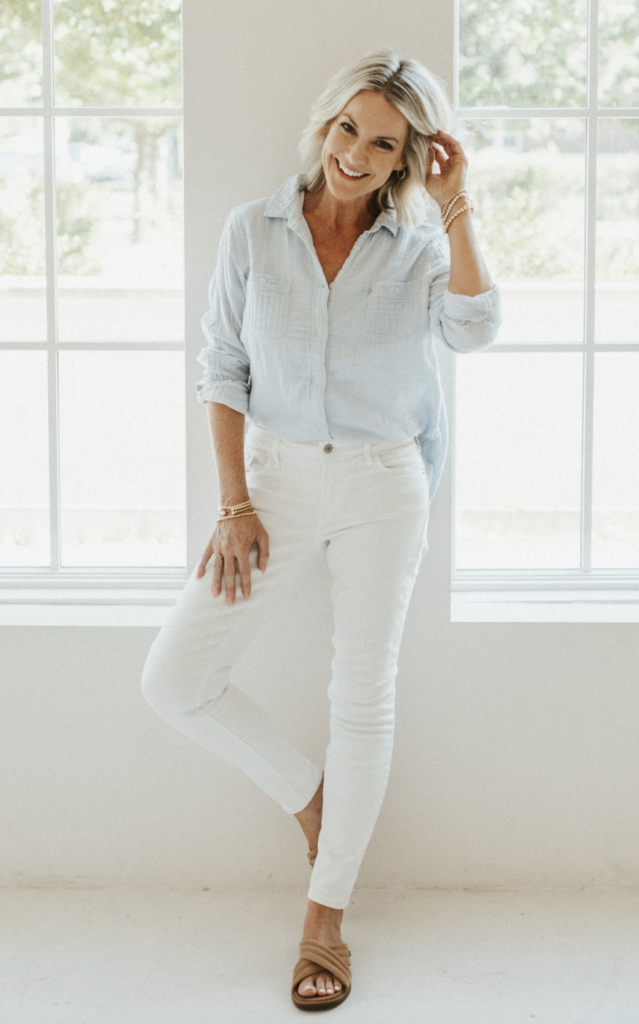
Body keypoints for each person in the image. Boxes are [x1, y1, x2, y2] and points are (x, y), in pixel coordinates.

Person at [141, 47, 501, 1010]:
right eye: (348, 128)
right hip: (276, 483)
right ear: (326, 122)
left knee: (361, 693)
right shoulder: (251, 230)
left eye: (383, 144)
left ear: (406, 158)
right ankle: (314, 802)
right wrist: (233, 505)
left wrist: (456, 205)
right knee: (174, 677)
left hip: (385, 483)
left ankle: (324, 918)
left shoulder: (420, 247)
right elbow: (222, 367)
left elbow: (473, 331)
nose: (355, 153)